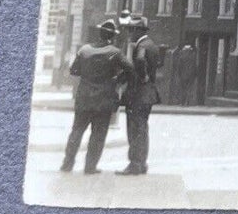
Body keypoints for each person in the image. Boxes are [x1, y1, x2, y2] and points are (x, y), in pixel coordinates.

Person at [61, 20, 128, 174]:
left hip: (84, 97)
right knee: (98, 134)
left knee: (76, 131)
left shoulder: (84, 50)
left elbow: (73, 71)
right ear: (112, 37)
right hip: (103, 99)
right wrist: (117, 80)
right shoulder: (115, 52)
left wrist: (88, 75)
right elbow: (130, 69)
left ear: (99, 33)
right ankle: (90, 166)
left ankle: (67, 164)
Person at [118, 15, 168, 176]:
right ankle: (142, 163)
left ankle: (135, 164)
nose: (129, 33)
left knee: (134, 130)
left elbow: (139, 61)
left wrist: (141, 75)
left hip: (138, 93)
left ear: (139, 31)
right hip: (148, 93)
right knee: (142, 129)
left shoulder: (141, 46)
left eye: (131, 30)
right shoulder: (152, 45)